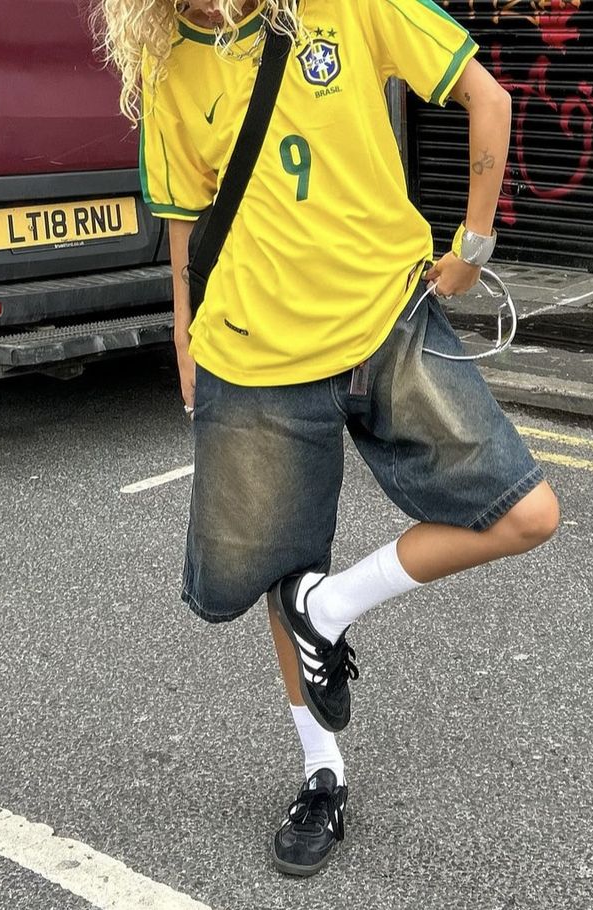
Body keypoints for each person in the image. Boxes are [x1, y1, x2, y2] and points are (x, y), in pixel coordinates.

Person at [98, 0, 559, 877]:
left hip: (388, 323)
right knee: (283, 565)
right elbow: (187, 221)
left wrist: (474, 244)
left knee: (526, 512)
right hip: (253, 351)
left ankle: (331, 606)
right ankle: (322, 775)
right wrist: (184, 334)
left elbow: (488, 96)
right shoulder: (169, 61)